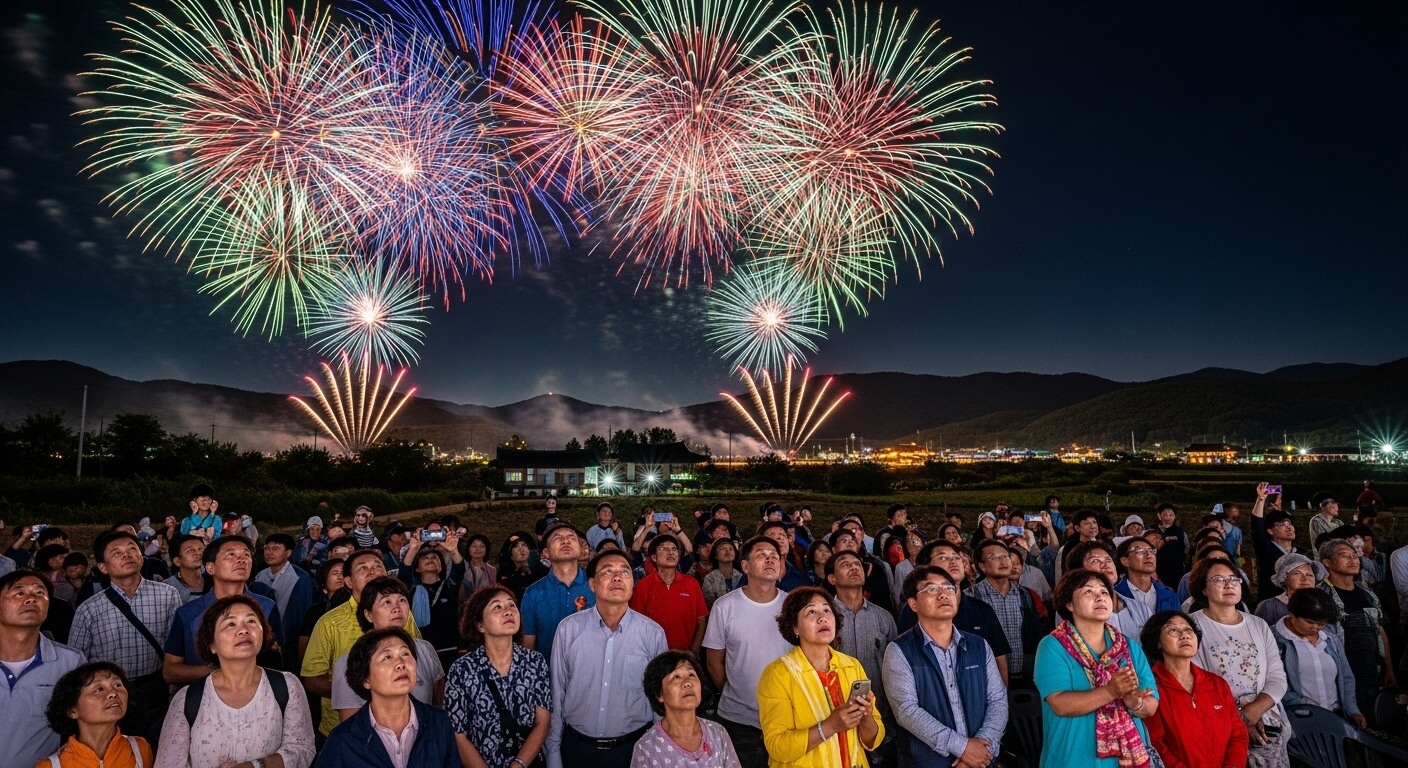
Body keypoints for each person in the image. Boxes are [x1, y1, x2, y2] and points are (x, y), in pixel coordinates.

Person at [155, 595, 315, 768]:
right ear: (212, 644)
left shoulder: (287, 686)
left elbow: (302, 749)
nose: (244, 630)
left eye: (251, 621)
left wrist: (256, 765)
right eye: (231, 624)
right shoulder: (187, 700)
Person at [546, 549, 667, 768]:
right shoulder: (568, 630)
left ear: (632, 583)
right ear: (592, 584)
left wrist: (659, 749)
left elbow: (659, 700)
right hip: (578, 749)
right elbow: (557, 693)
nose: (617, 577)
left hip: (633, 749)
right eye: (608, 571)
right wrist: (553, 752)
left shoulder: (653, 633)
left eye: (625, 572)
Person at [1033, 569, 1159, 768]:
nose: (1100, 597)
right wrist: (1111, 691)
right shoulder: (1052, 646)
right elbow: (1060, 704)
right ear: (1069, 604)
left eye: (1104, 592)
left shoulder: (1128, 646)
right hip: (1074, 756)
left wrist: (1137, 704)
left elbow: (1151, 703)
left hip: (1127, 757)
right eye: (1088, 592)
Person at [67, 531, 183, 746]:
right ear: (103, 567)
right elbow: (76, 664)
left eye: (132, 549)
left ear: (142, 557)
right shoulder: (89, 609)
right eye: (116, 553)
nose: (126, 555)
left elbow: (175, 647)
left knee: (156, 746)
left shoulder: (168, 595)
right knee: (116, 747)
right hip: (109, 694)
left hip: (155, 688)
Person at [884, 566, 1006, 768]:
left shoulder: (978, 645)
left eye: (949, 588)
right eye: (931, 589)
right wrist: (963, 748)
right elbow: (906, 710)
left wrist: (983, 749)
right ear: (913, 604)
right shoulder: (899, 650)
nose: (943, 594)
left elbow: (997, 699)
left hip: (981, 761)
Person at [757, 586, 884, 768]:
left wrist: (866, 716)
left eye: (826, 610)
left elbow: (873, 740)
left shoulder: (851, 665)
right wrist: (830, 726)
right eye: (811, 612)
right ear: (795, 628)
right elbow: (778, 746)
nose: (822, 617)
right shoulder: (778, 674)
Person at [302, 549, 420, 740]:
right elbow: (311, 679)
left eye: (377, 566)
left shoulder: (402, 615)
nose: (372, 571)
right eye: (363, 568)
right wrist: (361, 692)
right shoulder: (329, 622)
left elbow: (419, 659)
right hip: (343, 730)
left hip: (403, 728)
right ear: (348, 582)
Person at [1188, 559, 1291, 768]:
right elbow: (1193, 681)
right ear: (1203, 588)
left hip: (1266, 722)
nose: (1229, 584)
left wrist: (1254, 711)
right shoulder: (1190, 626)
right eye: (1219, 579)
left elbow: (1277, 676)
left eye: (1234, 579)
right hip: (1218, 720)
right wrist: (1239, 719)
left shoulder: (1258, 624)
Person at [702, 536, 794, 768]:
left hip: (787, 717)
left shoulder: (793, 607)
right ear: (745, 566)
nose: (770, 560)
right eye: (762, 555)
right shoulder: (724, 606)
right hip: (738, 721)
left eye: (775, 556)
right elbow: (714, 661)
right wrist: (736, 693)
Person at [319, 627, 460, 767]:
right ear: (366, 679)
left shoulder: (440, 723)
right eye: (387, 657)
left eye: (405, 654)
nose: (401, 664)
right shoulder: (343, 739)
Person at [445, 584, 551, 768]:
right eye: (497, 607)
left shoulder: (535, 662)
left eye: (511, 605)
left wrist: (518, 764)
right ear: (480, 625)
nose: (508, 611)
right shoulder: (462, 670)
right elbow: (457, 734)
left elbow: (543, 721)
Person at [163, 535, 282, 685]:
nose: (241, 560)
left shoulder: (267, 607)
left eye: (246, 555)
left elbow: (277, 661)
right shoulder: (188, 614)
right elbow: (170, 672)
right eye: (231, 554)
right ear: (210, 568)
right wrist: (220, 669)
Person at [1139, 610, 1248, 768]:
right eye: (1173, 630)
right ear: (1157, 642)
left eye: (1188, 630)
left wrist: (1234, 765)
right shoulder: (1150, 690)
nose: (1184, 635)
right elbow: (1155, 743)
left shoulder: (1217, 684)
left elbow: (1238, 733)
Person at [2, 570, 87, 767]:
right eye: (19, 593)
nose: (31, 598)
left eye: (40, 593)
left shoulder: (71, 662)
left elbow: (85, 727)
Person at [331, 577, 445, 720]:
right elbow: (350, 723)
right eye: (386, 602)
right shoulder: (348, 662)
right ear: (369, 615)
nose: (397, 608)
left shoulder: (425, 649)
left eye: (402, 600)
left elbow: (438, 704)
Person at [1316, 538, 1394, 721]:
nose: (1353, 560)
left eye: (1354, 555)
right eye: (1344, 556)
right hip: (1339, 677)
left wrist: (1389, 668)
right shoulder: (1320, 596)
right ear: (1327, 562)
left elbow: (1380, 631)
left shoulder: (1368, 594)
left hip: (1371, 673)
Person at [1271, 588, 1365, 727]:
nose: (1315, 628)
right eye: (1309, 622)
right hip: (1298, 720)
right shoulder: (1273, 640)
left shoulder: (1331, 640)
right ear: (1292, 614)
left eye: (1321, 623)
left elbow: (1346, 677)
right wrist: (1307, 705)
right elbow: (1273, 683)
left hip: (1335, 717)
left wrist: (1352, 710)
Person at [631, 650, 741, 768]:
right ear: (659, 694)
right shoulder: (647, 748)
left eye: (691, 675)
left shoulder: (718, 733)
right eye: (676, 677)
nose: (688, 683)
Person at [37, 662, 153, 768]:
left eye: (117, 685)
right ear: (73, 711)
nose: (113, 693)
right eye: (99, 689)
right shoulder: (50, 766)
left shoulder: (139, 749)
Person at [826, 550, 897, 722]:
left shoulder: (884, 618)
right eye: (845, 565)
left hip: (879, 712)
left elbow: (895, 667)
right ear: (832, 578)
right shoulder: (824, 618)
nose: (854, 568)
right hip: (834, 712)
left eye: (857, 564)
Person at [967, 539, 1041, 686]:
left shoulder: (1025, 595)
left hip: (1026, 677)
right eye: (994, 557)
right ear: (982, 566)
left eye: (1005, 556)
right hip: (988, 679)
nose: (1003, 561)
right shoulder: (971, 596)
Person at [521, 522, 594, 662]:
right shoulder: (533, 594)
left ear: (580, 548)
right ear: (546, 552)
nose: (566, 541)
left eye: (571, 537)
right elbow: (528, 644)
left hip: (590, 670)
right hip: (547, 671)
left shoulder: (596, 587)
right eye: (558, 538)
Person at [397, 525, 465, 669]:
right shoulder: (411, 589)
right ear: (417, 568)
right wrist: (413, 548)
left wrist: (453, 550)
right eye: (425, 558)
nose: (430, 559)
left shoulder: (449, 587)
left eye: (434, 557)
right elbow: (403, 574)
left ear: (440, 566)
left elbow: (459, 570)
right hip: (419, 652)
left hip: (449, 650)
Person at [631, 533, 709, 653]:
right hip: (653, 655)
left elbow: (701, 620)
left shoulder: (692, 584)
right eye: (664, 548)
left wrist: (693, 651)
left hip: (685, 654)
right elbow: (636, 623)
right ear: (654, 557)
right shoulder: (643, 586)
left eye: (674, 549)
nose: (671, 552)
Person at [255, 532, 316, 669]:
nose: (269, 552)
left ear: (288, 553)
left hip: (289, 643)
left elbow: (302, 614)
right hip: (263, 640)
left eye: (275, 549)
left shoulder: (300, 578)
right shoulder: (260, 576)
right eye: (267, 548)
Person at [1250, 484, 1297, 603]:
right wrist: (1261, 500)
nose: (1288, 527)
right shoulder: (1266, 549)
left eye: (1289, 524)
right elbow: (1256, 525)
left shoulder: (1300, 553)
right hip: (1272, 603)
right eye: (1281, 524)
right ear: (1270, 531)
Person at [1114, 536, 1180, 618]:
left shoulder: (1169, 595)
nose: (1149, 555)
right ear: (1125, 561)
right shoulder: (1114, 596)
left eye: (1151, 551)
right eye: (1140, 551)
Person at [1253, 553, 1323, 627]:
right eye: (1297, 573)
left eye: (1310, 575)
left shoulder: (1323, 604)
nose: (1305, 579)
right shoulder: (1269, 607)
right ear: (1284, 578)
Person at [498, 531, 546, 600]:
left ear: (529, 551)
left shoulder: (540, 574)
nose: (521, 549)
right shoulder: (506, 581)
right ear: (511, 556)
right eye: (516, 546)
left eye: (524, 545)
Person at [164, 534, 208, 605]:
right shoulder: (167, 588)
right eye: (190, 550)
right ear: (177, 561)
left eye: (201, 549)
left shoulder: (215, 579)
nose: (198, 553)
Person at [1152, 503, 1188, 590]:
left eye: (1171, 515)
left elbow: (1187, 548)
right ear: (1159, 516)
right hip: (1158, 568)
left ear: (1174, 516)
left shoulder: (1180, 532)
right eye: (1165, 514)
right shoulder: (1153, 531)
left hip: (1176, 569)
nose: (1168, 517)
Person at [702, 537, 742, 606]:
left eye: (731, 549)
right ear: (716, 556)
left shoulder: (741, 577)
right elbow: (709, 604)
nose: (728, 551)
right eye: (723, 549)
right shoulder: (710, 579)